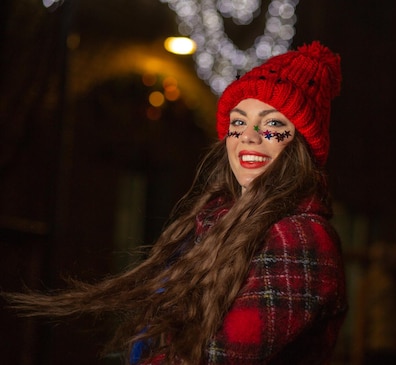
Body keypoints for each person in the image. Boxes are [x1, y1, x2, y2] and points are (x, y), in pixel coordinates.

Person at [4, 41, 347, 365]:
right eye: (238, 122)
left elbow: (220, 356)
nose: (249, 137)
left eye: (272, 124)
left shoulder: (299, 236)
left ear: (301, 143)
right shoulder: (218, 222)